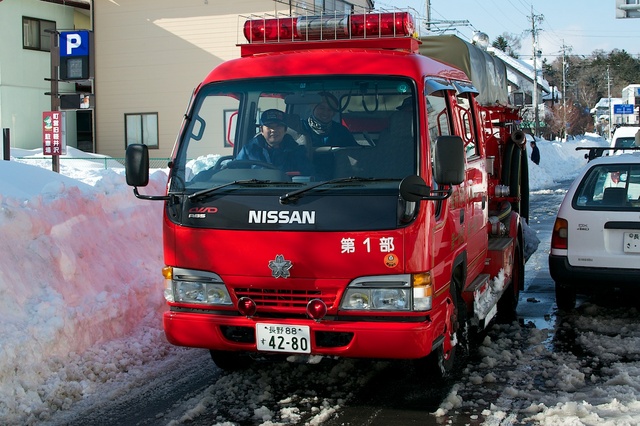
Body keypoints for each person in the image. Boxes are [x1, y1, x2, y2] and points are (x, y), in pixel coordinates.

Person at [236, 109, 313, 175]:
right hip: (255, 191)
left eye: (278, 126)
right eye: (269, 126)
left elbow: (308, 176)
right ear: (261, 130)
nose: (273, 130)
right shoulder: (249, 150)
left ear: (285, 129)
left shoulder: (297, 152)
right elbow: (235, 173)